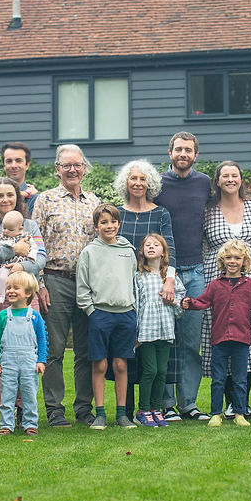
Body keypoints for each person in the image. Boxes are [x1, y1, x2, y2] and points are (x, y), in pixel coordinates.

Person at [200, 160, 251, 419]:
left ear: (241, 180)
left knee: (250, 338)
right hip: (218, 279)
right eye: (225, 176)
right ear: (218, 181)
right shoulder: (208, 210)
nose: (230, 179)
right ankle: (229, 401)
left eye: (235, 175)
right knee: (222, 335)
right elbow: (203, 247)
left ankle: (241, 403)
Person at [0, 177, 47, 431]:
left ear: (18, 197)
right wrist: (14, 248)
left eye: (10, 195)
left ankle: (22, 410)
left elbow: (41, 259)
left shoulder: (31, 225)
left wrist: (21, 265)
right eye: (0, 195)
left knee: (26, 350)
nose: (5, 199)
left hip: (25, 296)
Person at [34, 144, 100, 427]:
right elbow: (34, 245)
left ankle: (84, 410)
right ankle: (55, 410)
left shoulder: (94, 202)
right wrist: (39, 284)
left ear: (83, 168)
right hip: (55, 280)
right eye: (66, 165)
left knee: (86, 351)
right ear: (57, 169)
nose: (72, 170)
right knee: (54, 349)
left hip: (87, 284)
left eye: (77, 165)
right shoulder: (45, 201)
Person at [181, 240, 251, 428]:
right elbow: (202, 302)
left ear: (244, 261)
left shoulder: (249, 285)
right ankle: (216, 414)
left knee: (240, 379)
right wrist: (189, 303)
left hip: (241, 340)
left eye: (237, 257)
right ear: (222, 260)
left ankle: (239, 413)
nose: (232, 261)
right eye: (228, 257)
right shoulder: (215, 285)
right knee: (218, 379)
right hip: (219, 340)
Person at [153, 131, 211, 423]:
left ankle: (188, 403)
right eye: (178, 149)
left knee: (190, 342)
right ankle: (165, 404)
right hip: (163, 273)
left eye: (188, 150)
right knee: (164, 339)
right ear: (170, 152)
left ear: (195, 155)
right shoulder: (157, 184)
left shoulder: (204, 184)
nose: (183, 154)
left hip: (196, 270)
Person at [113, 159, 176, 418]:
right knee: (125, 352)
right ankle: (126, 409)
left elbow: (172, 249)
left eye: (142, 179)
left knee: (154, 361)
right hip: (123, 288)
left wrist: (169, 279)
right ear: (125, 183)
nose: (138, 183)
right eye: (133, 179)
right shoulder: (118, 213)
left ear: (149, 183)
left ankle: (154, 407)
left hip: (153, 287)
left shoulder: (160, 213)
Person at [76, 204, 138, 430]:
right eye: (103, 222)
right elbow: (82, 287)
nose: (109, 226)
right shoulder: (89, 252)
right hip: (100, 314)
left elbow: (134, 282)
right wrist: (91, 311)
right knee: (100, 365)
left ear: (118, 224)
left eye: (112, 222)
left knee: (121, 364)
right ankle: (100, 413)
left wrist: (134, 310)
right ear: (96, 226)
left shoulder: (128, 250)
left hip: (126, 314)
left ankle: (121, 414)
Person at [133, 234, 186, 427]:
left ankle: (156, 409)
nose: (152, 247)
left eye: (156, 245)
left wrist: (173, 302)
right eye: (148, 245)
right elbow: (136, 303)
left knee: (162, 371)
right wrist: (136, 332)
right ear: (143, 251)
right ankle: (143, 410)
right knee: (150, 370)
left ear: (163, 252)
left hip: (165, 329)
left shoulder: (169, 278)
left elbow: (180, 300)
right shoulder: (139, 277)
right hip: (147, 331)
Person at [0, 271, 48, 436]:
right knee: (7, 393)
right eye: (8, 287)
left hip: (29, 361)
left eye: (16, 288)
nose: (10, 291)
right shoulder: (2, 316)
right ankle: (6, 425)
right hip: (8, 361)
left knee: (29, 393)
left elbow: (42, 341)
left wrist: (41, 360)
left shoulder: (35, 316)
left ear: (28, 293)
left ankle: (30, 424)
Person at [0, 210, 38, 304]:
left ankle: (26, 301)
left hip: (22, 265)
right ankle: (1, 296)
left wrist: (32, 256)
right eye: (4, 228)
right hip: (6, 265)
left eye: (10, 229)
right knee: (2, 277)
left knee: (23, 283)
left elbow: (34, 247)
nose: (6, 231)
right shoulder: (2, 237)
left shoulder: (26, 236)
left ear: (20, 229)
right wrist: (13, 247)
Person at [0, 141, 38, 217]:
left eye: (18, 161)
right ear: (4, 165)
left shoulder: (35, 200)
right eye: (9, 161)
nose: (13, 165)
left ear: (27, 165)